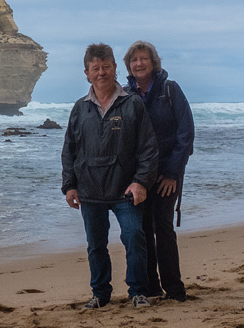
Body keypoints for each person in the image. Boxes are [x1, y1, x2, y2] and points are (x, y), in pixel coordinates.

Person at [61, 43, 159, 310]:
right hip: (90, 190)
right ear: (87, 73)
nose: (101, 72)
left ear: (115, 68)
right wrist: (69, 186)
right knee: (96, 245)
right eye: (95, 68)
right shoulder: (80, 108)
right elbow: (69, 150)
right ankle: (100, 294)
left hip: (125, 190)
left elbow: (148, 148)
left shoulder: (132, 103)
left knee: (134, 238)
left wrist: (140, 182)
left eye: (106, 67)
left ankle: (138, 292)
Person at [123, 41, 195, 302]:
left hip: (166, 174)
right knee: (142, 229)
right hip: (139, 176)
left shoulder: (170, 90)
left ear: (153, 62)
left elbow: (186, 135)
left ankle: (174, 290)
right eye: (134, 60)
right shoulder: (125, 95)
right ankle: (151, 287)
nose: (139, 64)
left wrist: (173, 173)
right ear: (128, 66)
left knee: (162, 228)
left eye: (144, 58)